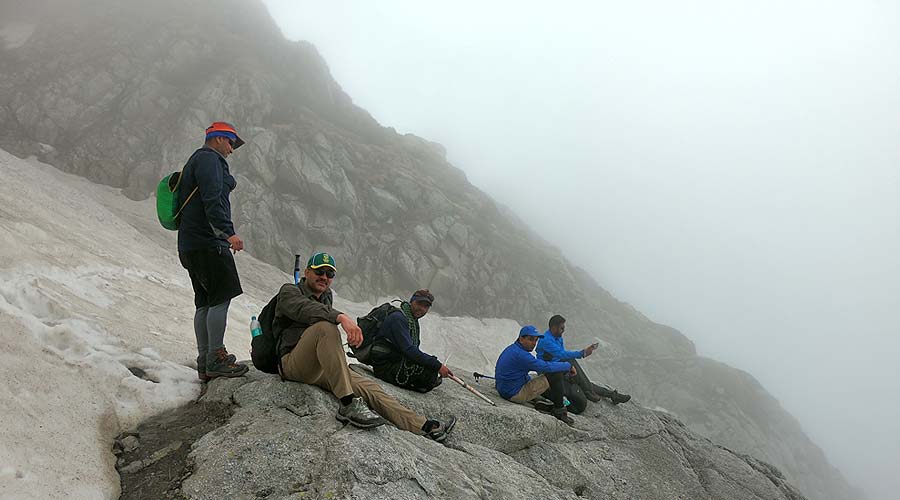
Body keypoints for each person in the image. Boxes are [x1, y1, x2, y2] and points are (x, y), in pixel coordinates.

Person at [274, 252, 456, 442]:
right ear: (307, 272)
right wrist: (341, 317)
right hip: (292, 364)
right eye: (319, 271)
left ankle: (425, 426)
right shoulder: (289, 291)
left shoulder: (326, 296)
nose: (325, 277)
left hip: (320, 366)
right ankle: (348, 404)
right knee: (325, 327)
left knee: (372, 390)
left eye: (330, 274)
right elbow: (303, 309)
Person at [178, 121, 249, 381]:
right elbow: (213, 198)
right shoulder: (210, 160)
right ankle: (216, 358)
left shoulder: (195, 160)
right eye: (231, 142)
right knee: (220, 298)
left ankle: (204, 359)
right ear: (218, 138)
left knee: (204, 301)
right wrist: (228, 232)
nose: (232, 149)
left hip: (189, 244)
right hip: (209, 243)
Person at [536, 314, 631, 408]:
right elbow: (562, 354)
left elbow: (560, 355)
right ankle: (590, 392)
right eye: (562, 328)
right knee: (571, 362)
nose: (564, 330)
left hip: (558, 368)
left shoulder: (558, 337)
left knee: (583, 382)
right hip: (549, 372)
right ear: (554, 327)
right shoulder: (546, 340)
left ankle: (612, 395)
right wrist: (582, 353)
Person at [369, 289, 453, 393]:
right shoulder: (398, 318)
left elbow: (412, 350)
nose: (421, 309)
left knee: (429, 367)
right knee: (429, 374)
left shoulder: (412, 320)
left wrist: (433, 363)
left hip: (393, 360)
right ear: (411, 301)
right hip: (384, 365)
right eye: (419, 304)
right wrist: (437, 365)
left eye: (425, 306)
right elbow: (408, 349)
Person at [494, 325, 577, 426]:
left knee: (546, 375)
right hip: (514, 394)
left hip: (504, 389)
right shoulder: (522, 355)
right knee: (555, 374)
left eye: (536, 340)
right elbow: (546, 367)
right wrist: (568, 366)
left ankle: (542, 401)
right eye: (530, 339)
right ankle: (559, 411)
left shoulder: (513, 349)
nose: (534, 343)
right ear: (521, 339)